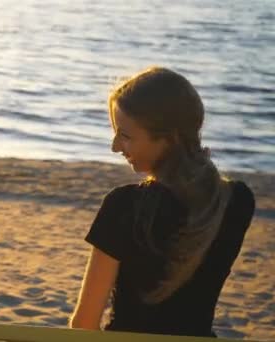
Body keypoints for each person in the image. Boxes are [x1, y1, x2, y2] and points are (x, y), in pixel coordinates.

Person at [69, 67, 255, 337]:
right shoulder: (237, 201)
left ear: (169, 139)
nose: (115, 147)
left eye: (125, 135)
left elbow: (83, 325)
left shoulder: (124, 206)